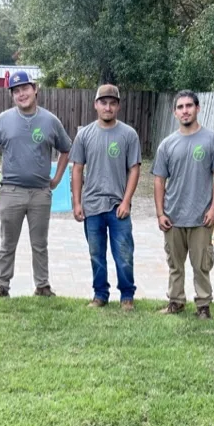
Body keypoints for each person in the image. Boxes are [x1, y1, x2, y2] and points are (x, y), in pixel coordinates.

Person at [0, 70, 72, 297]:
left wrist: (57, 178)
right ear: (12, 95)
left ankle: (42, 286)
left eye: (25, 88)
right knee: (7, 242)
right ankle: (1, 286)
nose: (21, 94)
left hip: (40, 193)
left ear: (35, 89)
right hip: (11, 192)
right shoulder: (3, 120)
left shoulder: (50, 121)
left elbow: (66, 149)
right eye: (16, 91)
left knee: (40, 243)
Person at [152, 90, 214, 320]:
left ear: (198, 108)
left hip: (201, 217)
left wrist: (213, 209)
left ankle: (203, 306)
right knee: (175, 264)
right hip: (173, 216)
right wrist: (160, 213)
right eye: (180, 107)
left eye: (189, 106)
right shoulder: (167, 145)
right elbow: (159, 180)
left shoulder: (212, 140)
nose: (185, 110)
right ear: (174, 112)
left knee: (201, 264)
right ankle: (175, 302)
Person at [70, 84, 141, 310]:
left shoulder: (128, 134)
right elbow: (77, 169)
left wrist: (127, 200)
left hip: (118, 206)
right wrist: (77, 202)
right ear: (96, 105)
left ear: (118, 106)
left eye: (112, 103)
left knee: (124, 254)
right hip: (92, 207)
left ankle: (127, 296)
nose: (107, 107)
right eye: (103, 102)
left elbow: (135, 169)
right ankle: (100, 295)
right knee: (96, 254)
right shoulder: (84, 135)